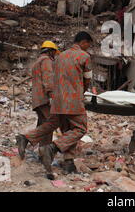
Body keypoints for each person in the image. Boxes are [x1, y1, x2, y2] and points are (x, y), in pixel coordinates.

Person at [16, 32, 93, 177]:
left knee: (60, 126)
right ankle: (52, 148)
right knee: (80, 128)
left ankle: (68, 162)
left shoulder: (59, 57)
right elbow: (87, 79)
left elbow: (55, 78)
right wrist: (82, 92)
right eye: (88, 45)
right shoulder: (84, 56)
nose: (88, 48)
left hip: (57, 101)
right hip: (72, 99)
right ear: (84, 42)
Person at [31, 41, 59, 149]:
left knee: (43, 124)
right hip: (44, 98)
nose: (55, 55)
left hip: (37, 99)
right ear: (51, 51)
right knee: (50, 123)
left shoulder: (37, 61)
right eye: (54, 53)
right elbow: (48, 79)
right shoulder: (46, 60)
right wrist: (52, 95)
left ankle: (38, 148)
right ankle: (44, 149)